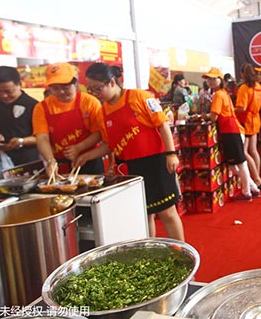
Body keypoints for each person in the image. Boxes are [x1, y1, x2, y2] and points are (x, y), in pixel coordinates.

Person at [74, 63, 184, 241]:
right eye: (90, 89)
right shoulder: (103, 112)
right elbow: (109, 144)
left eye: (98, 88)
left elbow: (162, 125)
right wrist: (86, 155)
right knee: (144, 214)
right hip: (131, 168)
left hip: (156, 162)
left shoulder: (139, 97)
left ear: (111, 82)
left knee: (167, 213)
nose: (95, 93)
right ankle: (150, 252)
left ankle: (181, 253)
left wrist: (171, 154)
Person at [33, 63, 105, 178]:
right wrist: (50, 161)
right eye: (55, 88)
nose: (61, 92)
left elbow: (98, 133)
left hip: (90, 160)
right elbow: (42, 138)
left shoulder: (89, 102)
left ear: (75, 84)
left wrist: (79, 147)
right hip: (60, 164)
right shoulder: (41, 108)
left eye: (65, 87)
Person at [202, 67, 260, 200]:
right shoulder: (224, 92)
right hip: (235, 129)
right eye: (209, 79)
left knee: (240, 163)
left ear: (220, 80)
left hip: (231, 130)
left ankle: (247, 192)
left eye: (213, 78)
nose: (210, 81)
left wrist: (204, 116)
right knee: (235, 163)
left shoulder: (218, 94)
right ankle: (252, 187)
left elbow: (214, 117)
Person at [0, 66, 39, 166]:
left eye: (8, 91)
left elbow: (42, 137)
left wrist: (22, 141)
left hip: (26, 161)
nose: (3, 95)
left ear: (20, 85)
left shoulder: (34, 106)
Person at [235, 63, 261, 190]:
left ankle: (256, 178)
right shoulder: (258, 87)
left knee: (244, 151)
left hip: (245, 120)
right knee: (253, 150)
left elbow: (242, 107)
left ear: (242, 74)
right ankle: (257, 176)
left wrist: (232, 110)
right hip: (256, 119)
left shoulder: (244, 88)